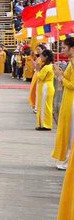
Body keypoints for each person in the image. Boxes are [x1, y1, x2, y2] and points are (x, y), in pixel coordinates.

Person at [53, 37, 74, 170]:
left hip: (72, 101)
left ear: (72, 49)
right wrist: (60, 74)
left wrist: (61, 77)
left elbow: (72, 84)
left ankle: (70, 161)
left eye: (64, 48)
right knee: (67, 131)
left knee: (71, 132)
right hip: (68, 99)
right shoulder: (71, 63)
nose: (62, 50)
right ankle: (68, 158)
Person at [36, 49, 55, 131]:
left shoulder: (47, 67)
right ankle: (43, 124)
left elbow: (40, 77)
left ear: (46, 57)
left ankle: (45, 125)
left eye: (42, 55)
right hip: (47, 86)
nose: (40, 57)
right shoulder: (50, 65)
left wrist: (37, 70)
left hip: (45, 87)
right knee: (45, 106)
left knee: (44, 106)